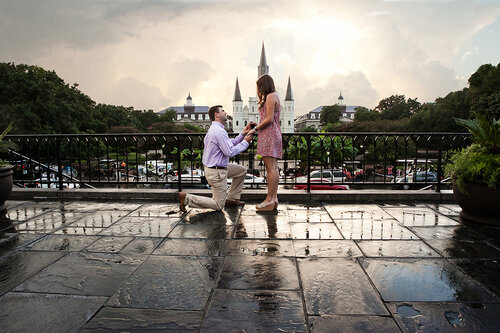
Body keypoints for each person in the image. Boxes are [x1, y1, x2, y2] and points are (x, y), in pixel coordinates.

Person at [178, 105, 255, 212]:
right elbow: (229, 151)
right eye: (223, 111)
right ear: (216, 115)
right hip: (217, 172)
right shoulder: (218, 131)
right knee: (218, 205)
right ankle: (187, 198)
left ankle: (232, 199)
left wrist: (242, 134)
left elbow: (229, 144)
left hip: (217, 168)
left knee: (241, 171)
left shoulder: (216, 129)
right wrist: (246, 142)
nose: (226, 113)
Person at [248, 74, 282, 211]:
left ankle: (269, 199)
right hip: (273, 132)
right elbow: (270, 118)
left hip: (269, 133)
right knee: (273, 167)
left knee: (270, 168)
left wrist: (255, 129)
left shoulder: (270, 96)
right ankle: (274, 199)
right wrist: (259, 124)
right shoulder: (275, 95)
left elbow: (268, 119)